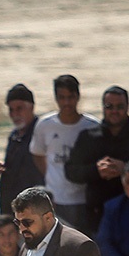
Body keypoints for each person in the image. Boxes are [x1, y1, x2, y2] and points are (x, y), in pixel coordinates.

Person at [66, 86, 129, 236]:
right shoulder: (88, 137)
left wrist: (127, 168)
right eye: (109, 106)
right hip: (98, 215)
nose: (114, 111)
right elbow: (71, 171)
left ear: (127, 107)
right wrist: (96, 170)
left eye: (120, 107)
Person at [29, 75, 99, 230]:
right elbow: (37, 153)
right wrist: (51, 176)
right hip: (55, 199)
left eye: (70, 97)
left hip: (84, 199)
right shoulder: (45, 125)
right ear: (56, 98)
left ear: (78, 97)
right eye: (62, 97)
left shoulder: (92, 126)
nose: (66, 102)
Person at [0, 83, 45, 216]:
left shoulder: (41, 132)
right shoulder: (14, 136)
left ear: (31, 107)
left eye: (19, 108)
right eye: (11, 110)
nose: (15, 114)